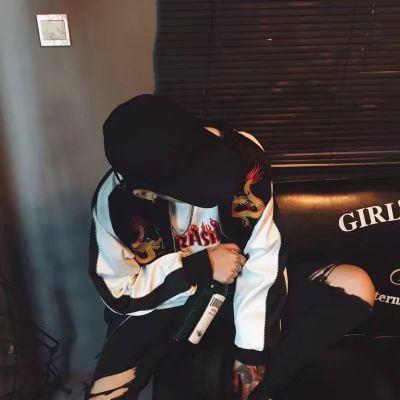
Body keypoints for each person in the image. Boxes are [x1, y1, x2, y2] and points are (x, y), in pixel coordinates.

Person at [85, 94, 375, 400]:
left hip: (239, 287)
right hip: (167, 304)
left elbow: (263, 252)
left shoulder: (241, 153)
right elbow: (119, 292)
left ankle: (261, 390)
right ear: (145, 193)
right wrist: (200, 266)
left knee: (355, 285)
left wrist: (251, 352)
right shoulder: (115, 203)